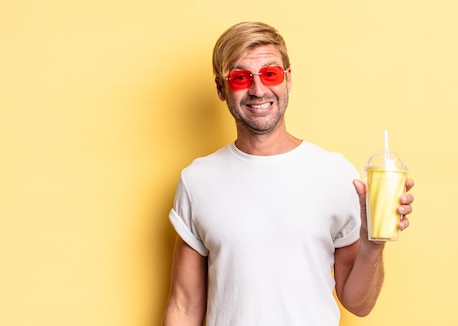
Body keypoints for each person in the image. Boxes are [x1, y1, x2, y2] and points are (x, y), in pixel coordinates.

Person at [162, 21, 415, 326]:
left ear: (288, 79)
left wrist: (373, 244)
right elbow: (184, 306)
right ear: (221, 88)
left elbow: (358, 304)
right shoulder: (198, 180)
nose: (258, 90)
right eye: (241, 78)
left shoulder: (335, 174)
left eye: (270, 74)